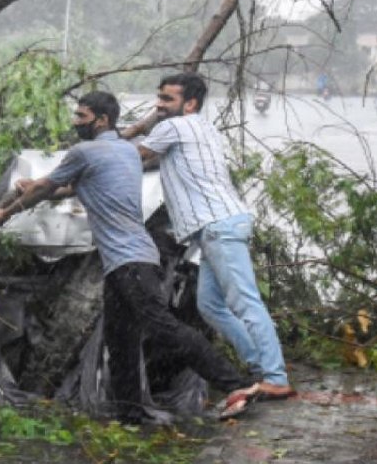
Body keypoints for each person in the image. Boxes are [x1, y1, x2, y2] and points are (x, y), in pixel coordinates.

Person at [0, 91, 259, 421]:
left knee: (162, 326)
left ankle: (236, 384)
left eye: (81, 117)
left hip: (131, 262)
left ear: (101, 120)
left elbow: (46, 188)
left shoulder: (84, 151)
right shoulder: (125, 152)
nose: (75, 123)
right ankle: (131, 414)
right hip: (126, 261)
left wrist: (5, 212)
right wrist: (39, 186)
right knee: (120, 338)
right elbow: (72, 187)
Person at [125, 73, 296, 404]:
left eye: (167, 99)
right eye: (158, 97)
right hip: (220, 225)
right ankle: (260, 366)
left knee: (245, 301)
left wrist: (114, 139)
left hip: (218, 226)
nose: (159, 105)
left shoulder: (174, 127)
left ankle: (276, 377)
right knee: (211, 305)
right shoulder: (202, 128)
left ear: (190, 104)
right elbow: (161, 160)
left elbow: (132, 156)